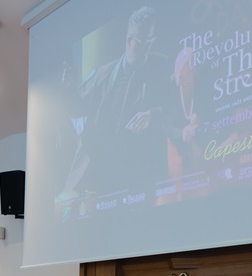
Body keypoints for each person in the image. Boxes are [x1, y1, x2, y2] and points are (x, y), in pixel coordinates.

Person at [59, 6, 173, 202]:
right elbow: (78, 110)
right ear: (129, 40)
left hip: (141, 174)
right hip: (101, 174)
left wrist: (152, 115)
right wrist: (68, 89)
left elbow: (176, 107)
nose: (148, 49)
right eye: (143, 43)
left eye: (151, 42)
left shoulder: (162, 67)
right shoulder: (104, 74)